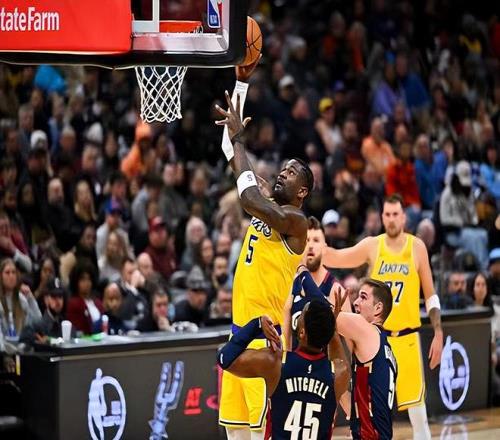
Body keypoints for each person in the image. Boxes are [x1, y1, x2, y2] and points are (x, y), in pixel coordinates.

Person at [215, 60, 313, 437]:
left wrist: (241, 141)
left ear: (302, 191)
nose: (282, 173)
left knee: (261, 434)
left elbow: (248, 198)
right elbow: (230, 147)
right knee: (235, 433)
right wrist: (241, 83)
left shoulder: (295, 222)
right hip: (238, 334)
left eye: (291, 173)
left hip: (265, 340)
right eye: (283, 169)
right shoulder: (267, 200)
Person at [322, 193, 443, 440]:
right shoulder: (373, 245)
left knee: (418, 414)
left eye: (395, 214)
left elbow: (431, 295)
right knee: (369, 412)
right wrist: (308, 249)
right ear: (382, 217)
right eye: (387, 214)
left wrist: (438, 332)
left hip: (407, 339)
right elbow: (337, 257)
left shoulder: (416, 247)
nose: (391, 219)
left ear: (404, 217)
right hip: (376, 340)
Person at [217, 299, 337, 440]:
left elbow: (224, 358)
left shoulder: (276, 363)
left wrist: (257, 324)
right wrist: (332, 326)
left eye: (301, 315)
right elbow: (339, 358)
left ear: (302, 332)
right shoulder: (338, 373)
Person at [335, 279, 397, 439]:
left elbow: (321, 315)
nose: (356, 302)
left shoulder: (368, 332)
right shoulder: (386, 349)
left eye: (363, 297)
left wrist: (303, 273)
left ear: (378, 308)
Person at [283, 216, 350, 351]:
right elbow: (285, 340)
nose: (311, 245)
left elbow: (348, 347)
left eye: (316, 240)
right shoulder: (290, 285)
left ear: (325, 246)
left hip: (324, 363)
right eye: (307, 240)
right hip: (295, 362)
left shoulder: (336, 290)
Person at [20, 277, 74, 345]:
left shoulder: (66, 325)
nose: (58, 301)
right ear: (46, 299)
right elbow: (23, 341)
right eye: (53, 296)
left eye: (60, 296)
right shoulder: (35, 326)